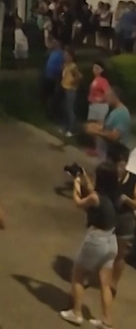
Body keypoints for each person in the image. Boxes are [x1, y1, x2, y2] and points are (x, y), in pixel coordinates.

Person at [60, 161, 120, 328]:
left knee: (78, 275)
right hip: (111, 241)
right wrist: (83, 176)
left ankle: (76, 313)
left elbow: (78, 203)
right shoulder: (113, 196)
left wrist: (76, 185)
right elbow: (94, 191)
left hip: (97, 240)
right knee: (104, 283)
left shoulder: (95, 198)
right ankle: (107, 321)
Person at [112, 148, 136, 295]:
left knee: (120, 254)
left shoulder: (133, 179)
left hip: (126, 218)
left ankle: (113, 284)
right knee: (103, 251)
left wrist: (126, 199)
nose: (119, 167)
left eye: (121, 164)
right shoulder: (110, 175)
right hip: (110, 216)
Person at [85, 87, 131, 161]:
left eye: (108, 96)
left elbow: (115, 136)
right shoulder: (115, 111)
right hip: (105, 153)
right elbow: (107, 127)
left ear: (114, 97)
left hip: (114, 155)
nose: (106, 99)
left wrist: (96, 132)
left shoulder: (122, 114)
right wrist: (94, 126)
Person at [59, 47, 82, 137]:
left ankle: (71, 129)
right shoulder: (65, 65)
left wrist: (73, 82)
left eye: (66, 55)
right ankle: (65, 126)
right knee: (64, 108)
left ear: (71, 56)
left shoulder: (73, 66)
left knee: (70, 109)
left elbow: (79, 76)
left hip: (70, 90)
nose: (64, 56)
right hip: (64, 87)